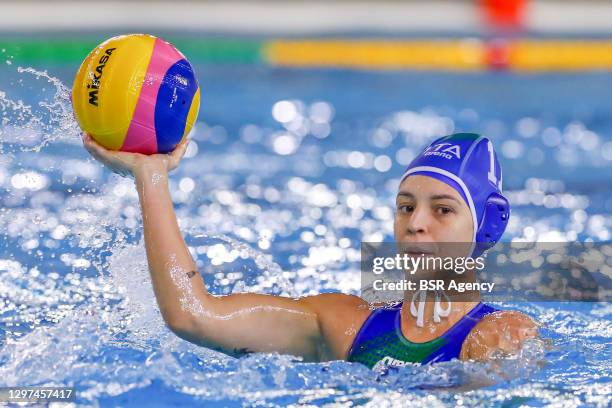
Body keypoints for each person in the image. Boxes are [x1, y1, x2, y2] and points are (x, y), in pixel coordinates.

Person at [82, 131, 537, 368]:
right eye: (405, 207)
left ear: (488, 224)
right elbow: (192, 315)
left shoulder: (502, 335)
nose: (415, 224)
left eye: (442, 210)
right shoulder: (343, 324)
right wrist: (151, 177)